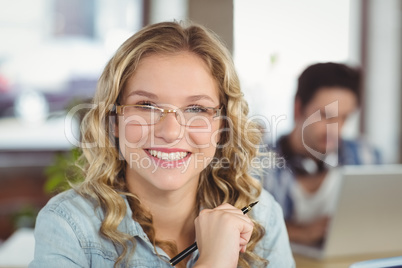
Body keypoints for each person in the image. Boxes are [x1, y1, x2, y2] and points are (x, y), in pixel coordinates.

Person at [29, 21, 295, 268]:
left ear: (222, 127)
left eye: (196, 108)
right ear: (114, 120)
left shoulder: (262, 215)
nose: (170, 132)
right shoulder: (68, 225)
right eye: (146, 105)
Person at [262, 62, 381, 246]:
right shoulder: (259, 163)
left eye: (344, 117)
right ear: (298, 109)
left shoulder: (367, 156)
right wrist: (300, 232)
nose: (336, 129)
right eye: (325, 116)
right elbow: (246, 225)